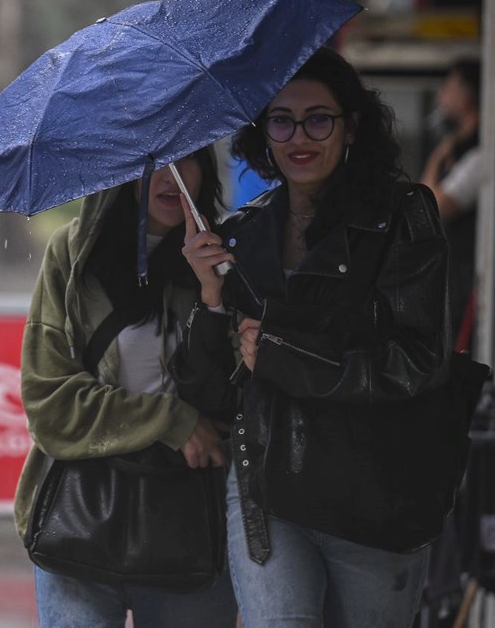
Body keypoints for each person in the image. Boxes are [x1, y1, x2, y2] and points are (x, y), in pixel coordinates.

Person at [177, 47, 451, 627]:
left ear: (351, 127)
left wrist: (283, 352)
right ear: (263, 132)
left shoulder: (403, 216)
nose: (299, 135)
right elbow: (214, 396)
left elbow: (416, 360)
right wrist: (207, 296)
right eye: (281, 119)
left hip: (376, 489)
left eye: (318, 118)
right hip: (265, 488)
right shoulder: (241, 234)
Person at [14, 146, 238, 628]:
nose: (171, 174)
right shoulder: (73, 257)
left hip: (189, 524)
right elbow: (50, 402)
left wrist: (212, 297)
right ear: (123, 171)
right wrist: (171, 420)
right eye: (153, 158)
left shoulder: (228, 258)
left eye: (188, 158)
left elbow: (229, 404)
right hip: (81, 515)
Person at [419, 58, 484, 350]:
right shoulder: (456, 145)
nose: (442, 95)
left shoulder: (481, 150)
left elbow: (432, 206)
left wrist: (436, 158)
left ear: (467, 96)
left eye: (449, 87)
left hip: (469, 277)